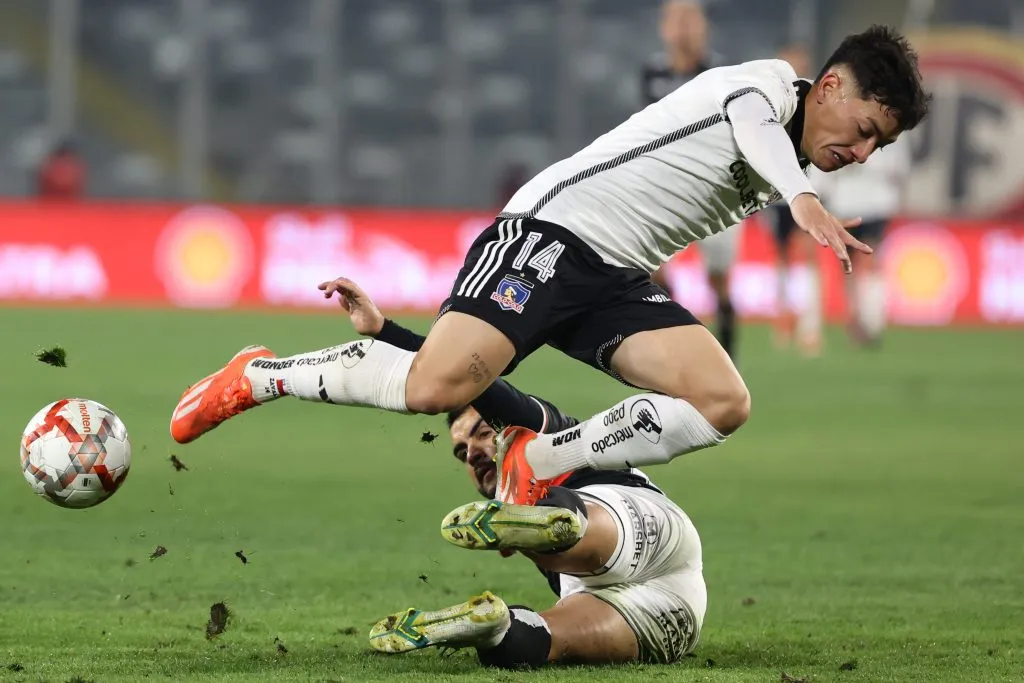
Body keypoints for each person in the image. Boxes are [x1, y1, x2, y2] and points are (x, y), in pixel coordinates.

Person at [171, 26, 930, 510]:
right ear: (829, 87)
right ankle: (259, 375)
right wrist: (799, 198)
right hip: (553, 232)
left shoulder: (796, 149)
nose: (861, 155)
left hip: (618, 278)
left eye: (878, 147)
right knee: (435, 387)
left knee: (723, 399)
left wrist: (799, 189)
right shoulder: (763, 88)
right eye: (864, 131)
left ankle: (538, 460)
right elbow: (750, 128)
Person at [326, 278, 705, 667]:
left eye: (482, 434)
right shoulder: (506, 494)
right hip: (645, 611)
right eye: (461, 452)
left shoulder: (542, 431)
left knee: (574, 519)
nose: (472, 453)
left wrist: (385, 332)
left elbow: (464, 375)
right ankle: (495, 627)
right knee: (533, 645)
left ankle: (560, 522)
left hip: (645, 530)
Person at [642, 0, 742, 358]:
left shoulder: (719, 72)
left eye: (690, 19)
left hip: (716, 187)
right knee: (651, 268)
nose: (683, 28)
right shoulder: (653, 72)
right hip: (668, 185)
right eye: (675, 20)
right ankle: (679, 339)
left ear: (703, 27)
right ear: (664, 27)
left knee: (718, 279)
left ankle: (728, 353)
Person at [811, 135, 912, 348]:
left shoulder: (890, 127)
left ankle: (871, 321)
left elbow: (899, 165)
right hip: (845, 203)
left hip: (874, 203)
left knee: (868, 261)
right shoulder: (843, 122)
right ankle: (856, 319)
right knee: (849, 265)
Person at [764, 44, 825, 356]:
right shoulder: (770, 101)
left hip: (809, 189)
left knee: (809, 254)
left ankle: (810, 327)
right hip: (776, 195)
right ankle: (784, 321)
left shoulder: (817, 100)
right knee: (781, 258)